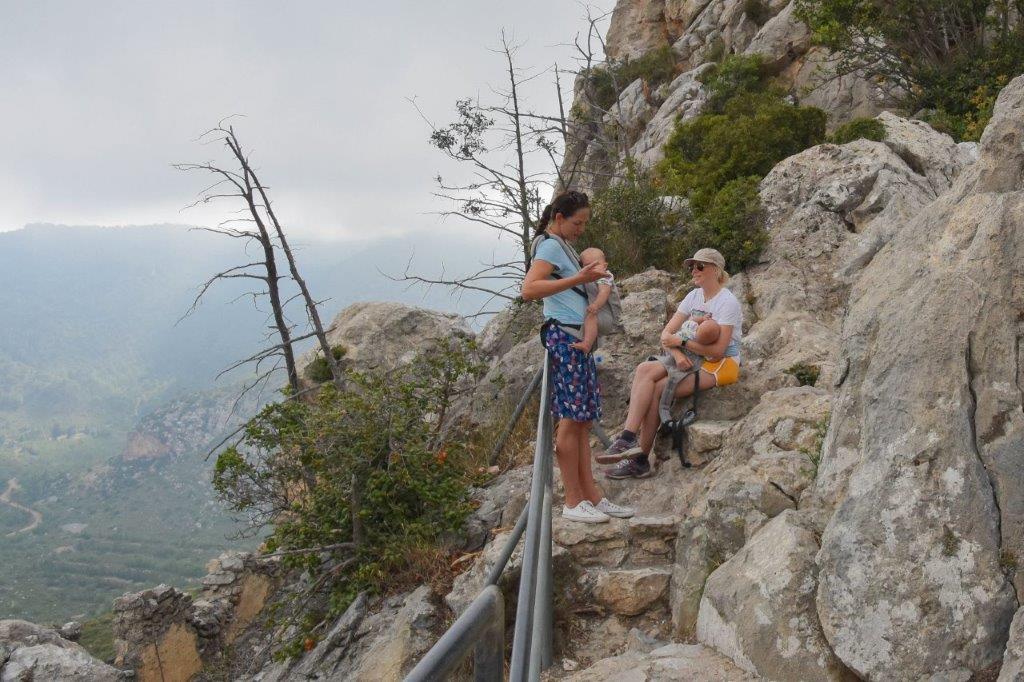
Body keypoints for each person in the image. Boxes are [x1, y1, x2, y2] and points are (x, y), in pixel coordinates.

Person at [521, 191, 635, 523]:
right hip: (565, 338)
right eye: (577, 222)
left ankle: (592, 497)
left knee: (582, 420)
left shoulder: (562, 245)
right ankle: (573, 500)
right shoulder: (551, 246)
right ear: (559, 218)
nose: (581, 229)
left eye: (584, 223)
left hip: (575, 338)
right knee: (571, 421)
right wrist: (579, 278)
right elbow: (529, 289)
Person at [598, 248, 742, 478]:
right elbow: (666, 335)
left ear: (716, 270)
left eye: (700, 266)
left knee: (658, 387)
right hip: (689, 356)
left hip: (720, 363)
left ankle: (641, 459)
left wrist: (681, 341)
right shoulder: (693, 296)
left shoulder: (727, 302)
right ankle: (627, 438)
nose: (694, 270)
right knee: (644, 369)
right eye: (691, 266)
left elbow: (718, 349)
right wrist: (676, 353)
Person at [569, 247, 615, 355]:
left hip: (605, 316)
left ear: (605, 266)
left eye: (595, 265)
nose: (591, 268)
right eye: (586, 266)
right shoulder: (589, 278)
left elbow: (604, 292)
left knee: (590, 317)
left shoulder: (605, 276)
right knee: (589, 319)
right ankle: (592, 348)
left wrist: (596, 305)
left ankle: (587, 344)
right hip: (598, 317)